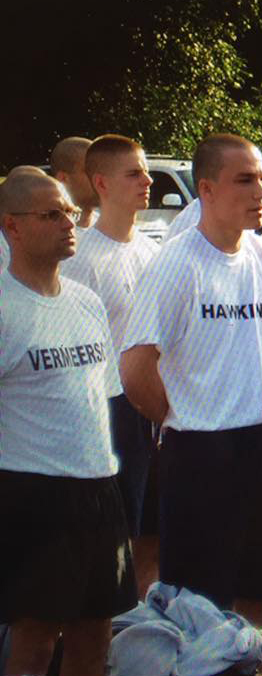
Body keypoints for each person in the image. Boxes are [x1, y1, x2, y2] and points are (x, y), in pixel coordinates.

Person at [120, 133, 262, 675]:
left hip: (260, 444)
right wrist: (186, 416)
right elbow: (135, 370)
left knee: (261, 594)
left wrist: (242, 395)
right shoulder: (178, 263)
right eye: (244, 180)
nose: (259, 192)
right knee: (201, 604)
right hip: (198, 452)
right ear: (206, 188)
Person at [0, 167, 136, 676]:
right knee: (34, 642)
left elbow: (100, 397)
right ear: (12, 226)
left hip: (97, 489)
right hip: (33, 494)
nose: (69, 222)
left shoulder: (86, 302)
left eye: (70, 212)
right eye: (51, 214)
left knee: (96, 636)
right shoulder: (5, 307)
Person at [61, 134, 159, 597]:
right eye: (134, 173)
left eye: (145, 171)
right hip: (107, 411)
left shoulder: (152, 252)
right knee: (108, 542)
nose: (147, 180)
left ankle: (139, 633)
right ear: (100, 183)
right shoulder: (80, 258)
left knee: (151, 534)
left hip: (155, 410)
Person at [49, 136, 98, 232]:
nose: (101, 179)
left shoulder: (115, 230)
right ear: (63, 179)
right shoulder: (46, 238)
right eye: (91, 170)